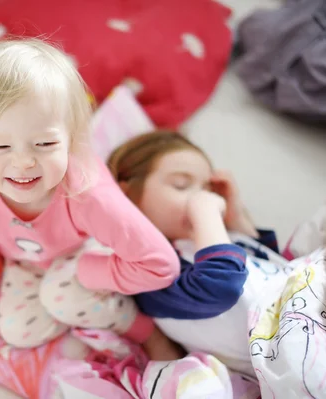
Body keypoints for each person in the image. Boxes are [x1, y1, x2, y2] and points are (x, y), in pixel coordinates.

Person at [0, 38, 183, 363]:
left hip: (87, 252)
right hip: (26, 262)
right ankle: (85, 315)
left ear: (71, 141)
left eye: (45, 143)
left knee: (60, 297)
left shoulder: (87, 194)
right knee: (17, 332)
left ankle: (146, 331)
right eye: (0, 147)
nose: (23, 162)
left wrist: (93, 273)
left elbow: (161, 265)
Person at [107, 130, 290, 376]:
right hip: (292, 350)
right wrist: (206, 213)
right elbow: (220, 288)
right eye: (181, 185)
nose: (202, 196)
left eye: (206, 188)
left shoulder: (206, 238)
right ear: (126, 196)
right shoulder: (146, 273)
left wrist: (237, 221)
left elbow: (273, 269)